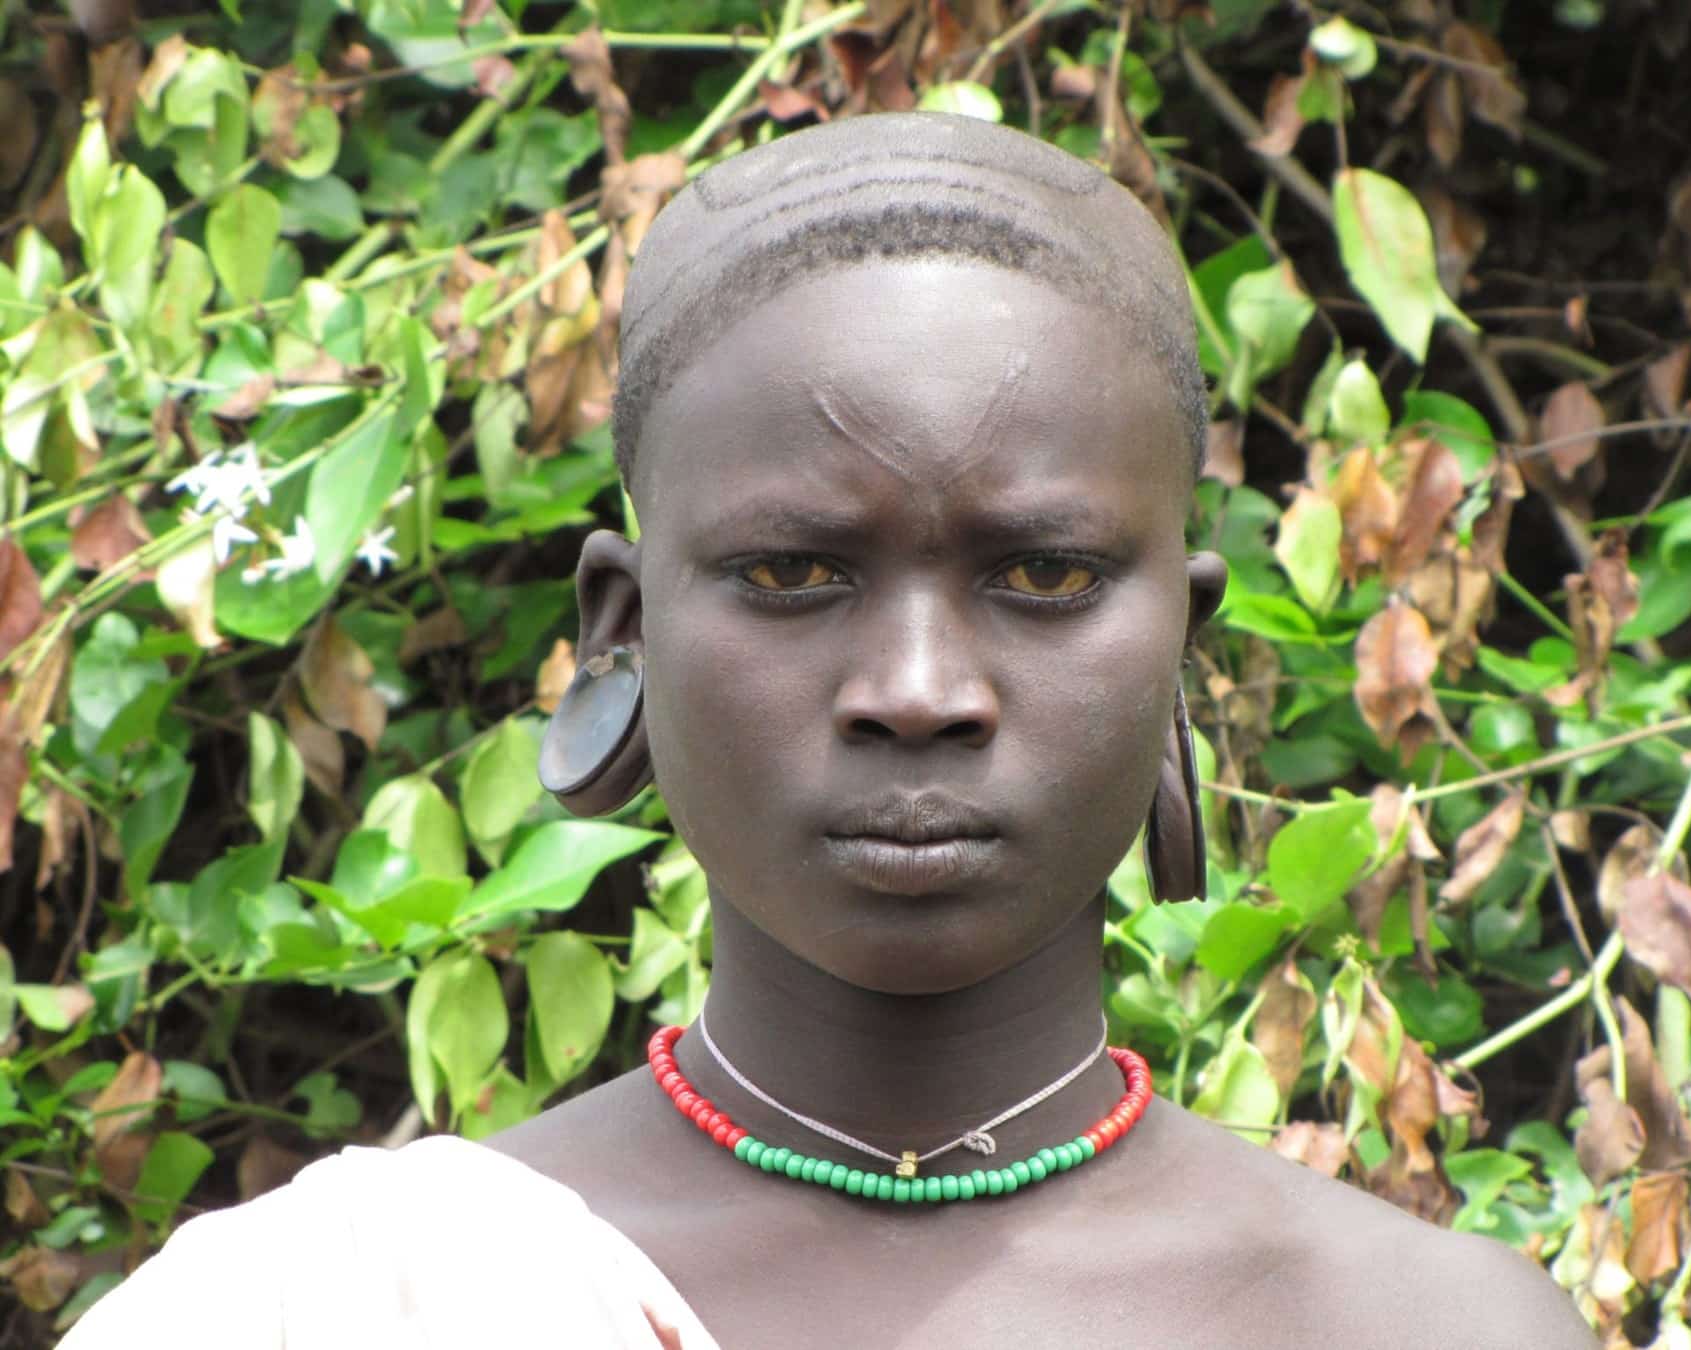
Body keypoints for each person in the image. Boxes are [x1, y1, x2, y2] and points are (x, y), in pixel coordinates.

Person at [63, 112, 1596, 1349]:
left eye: (1044, 575)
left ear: (1179, 644)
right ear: (623, 630)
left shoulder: (1428, 1328)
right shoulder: (320, 1309)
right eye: (794, 574)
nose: (917, 689)